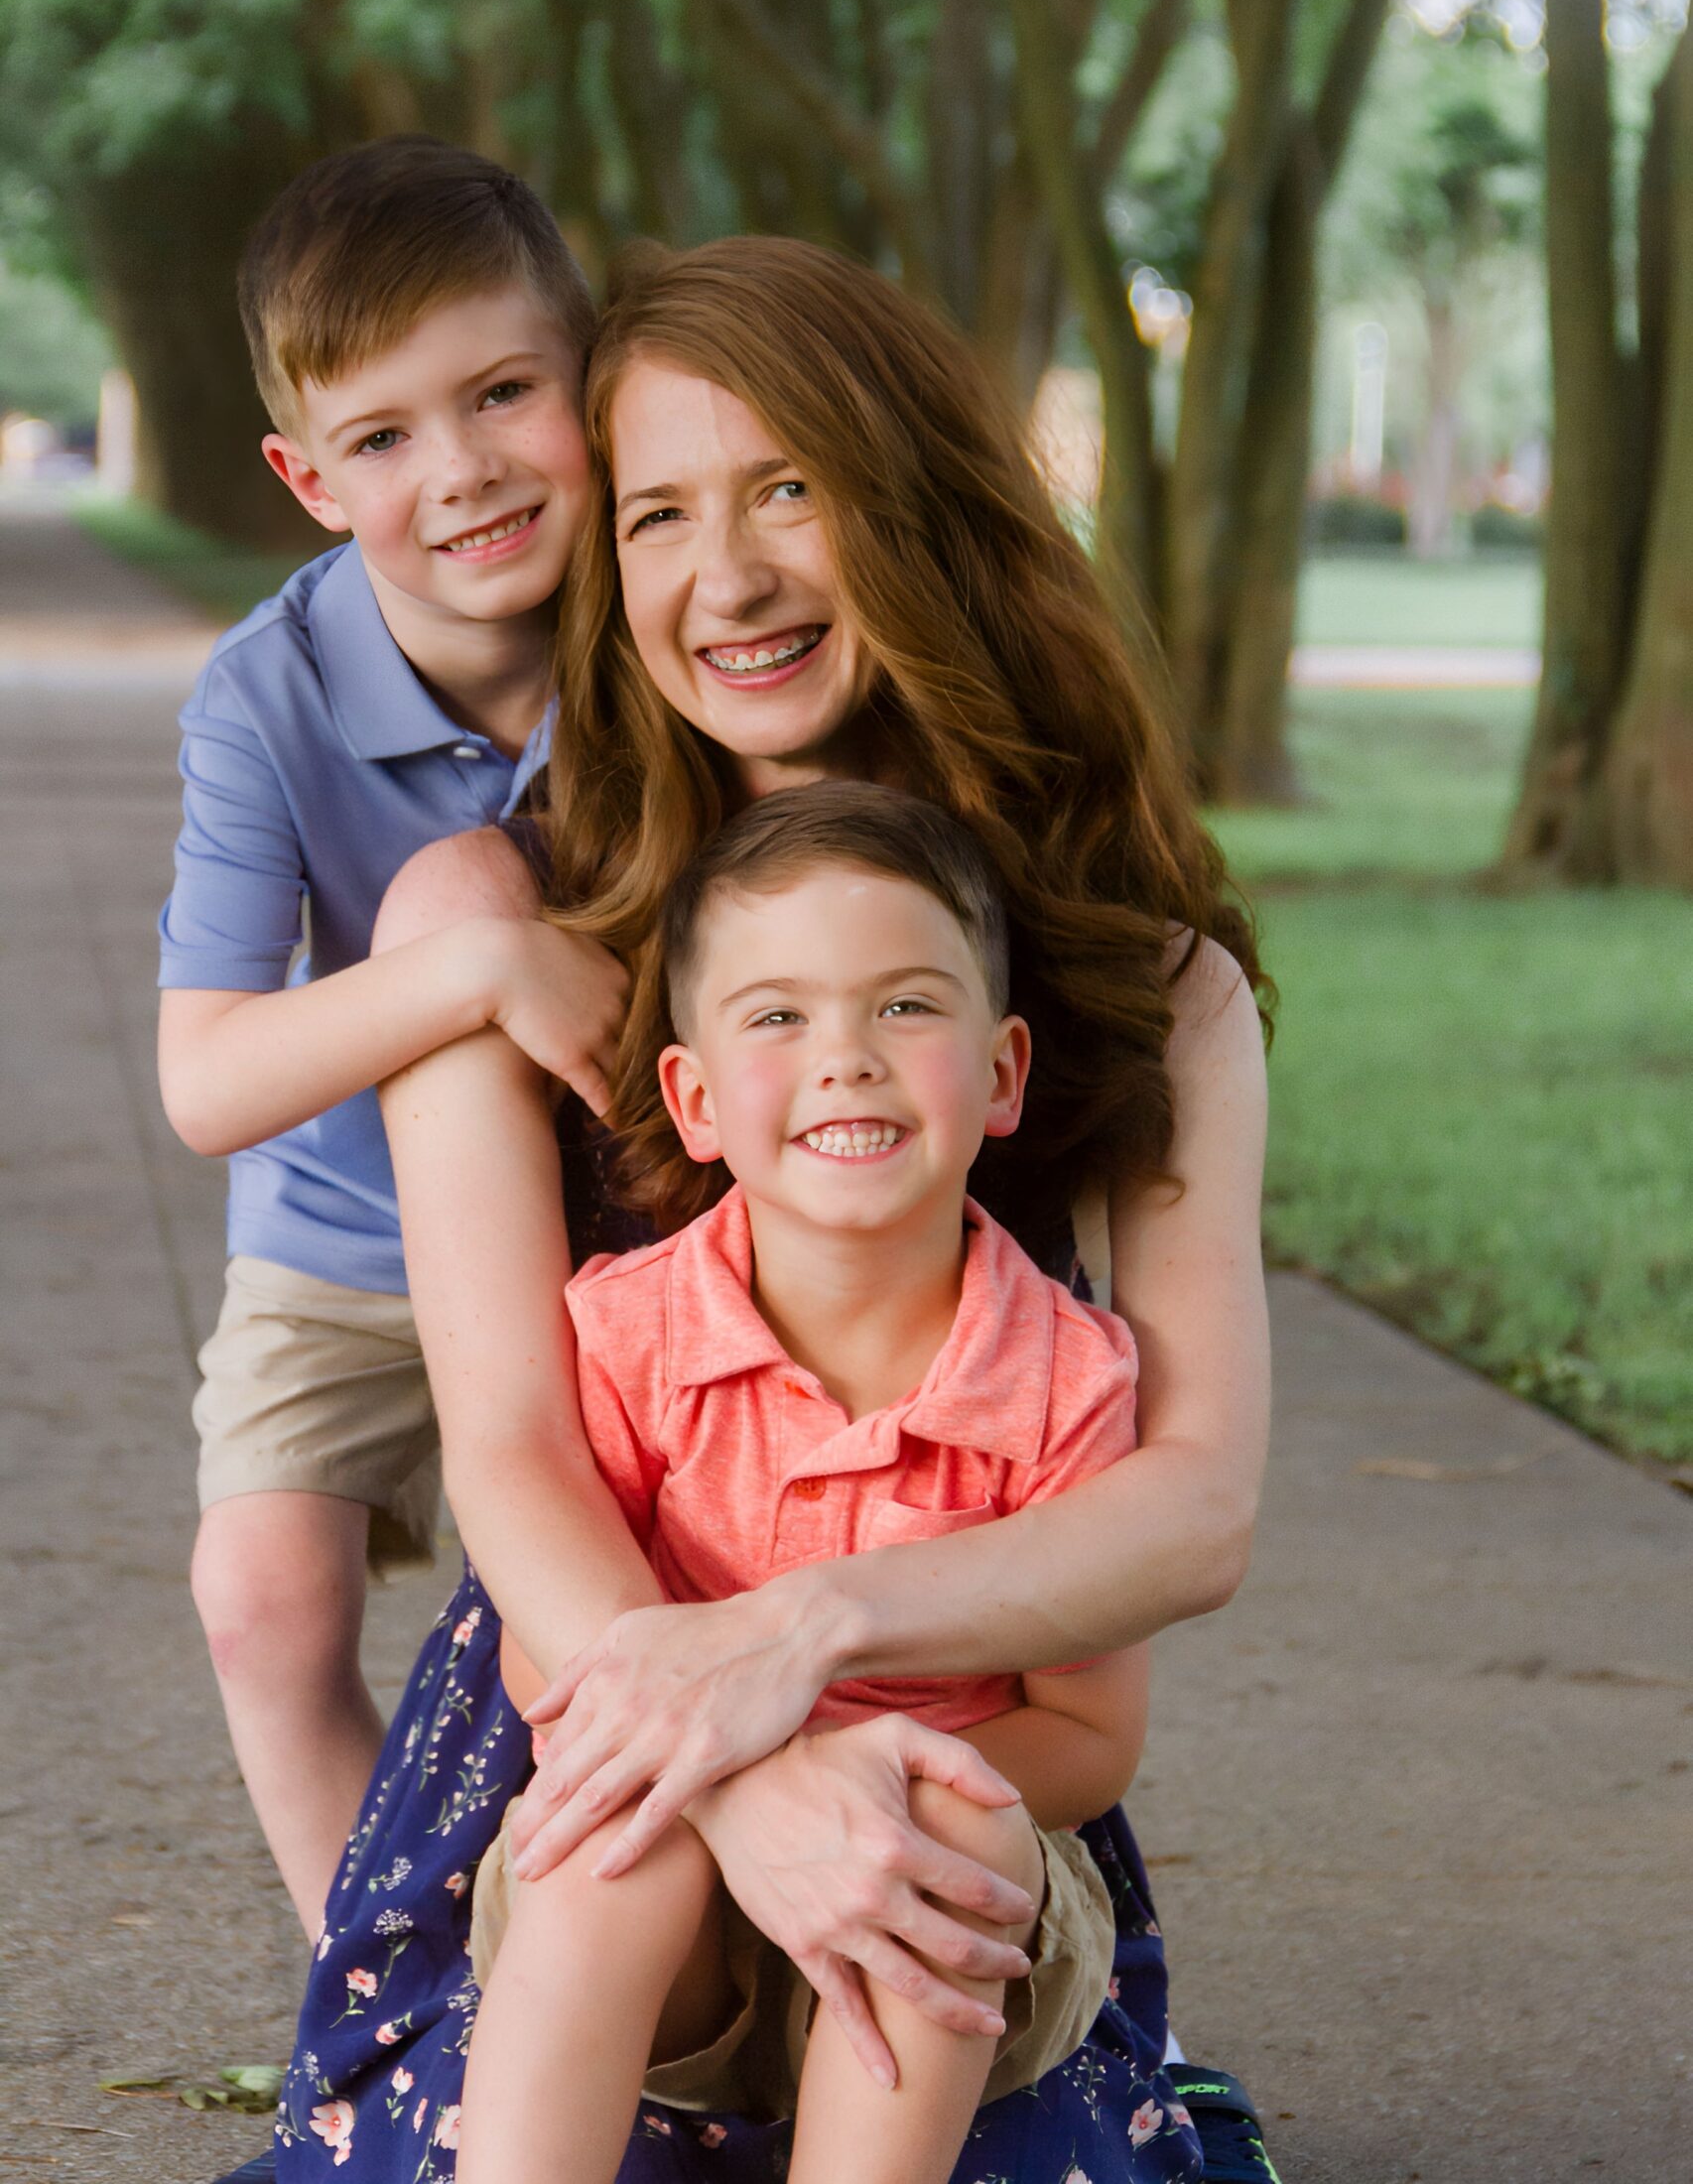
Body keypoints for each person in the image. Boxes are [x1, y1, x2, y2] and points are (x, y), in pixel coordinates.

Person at [275, 236, 1274, 2183]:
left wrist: (806, 1644)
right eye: (659, 511)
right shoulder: (494, 927)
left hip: (944, 1728)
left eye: (786, 489)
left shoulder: (1143, 975)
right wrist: (731, 1759)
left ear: (910, 507)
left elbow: (1197, 1498)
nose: (722, 578)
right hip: (597, 1702)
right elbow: (508, 1449)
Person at [459, 782, 1168, 2184]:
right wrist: (759, 1775)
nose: (845, 1058)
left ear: (1004, 1071)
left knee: (946, 1811)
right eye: (779, 1017)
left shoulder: (1065, 1380)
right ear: (696, 1097)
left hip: (953, 1937)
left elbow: (1088, 1739)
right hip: (664, 1934)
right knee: (624, 1813)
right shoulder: (626, 1333)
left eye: (905, 1007)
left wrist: (872, 1780)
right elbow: (558, 1664)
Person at [156, 137, 625, 1928]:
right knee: (262, 1600)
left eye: (504, 391)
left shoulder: (665, 620)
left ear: (587, 373)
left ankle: (634, 2002)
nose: (465, 471)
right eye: (384, 438)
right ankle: (381, 2008)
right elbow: (205, 1083)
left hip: (613, 1218)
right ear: (305, 478)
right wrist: (472, 972)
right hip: (345, 1229)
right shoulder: (263, 696)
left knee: (577, 1608)